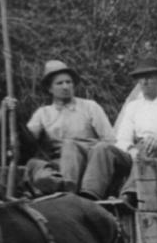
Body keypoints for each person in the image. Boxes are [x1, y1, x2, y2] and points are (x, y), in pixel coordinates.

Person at [79, 56, 157, 204]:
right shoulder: (134, 106)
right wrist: (130, 149)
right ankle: (90, 195)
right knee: (102, 148)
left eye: (149, 77)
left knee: (148, 146)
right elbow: (123, 138)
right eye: (141, 78)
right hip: (139, 153)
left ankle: (129, 195)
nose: (144, 82)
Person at [23, 60, 117, 195]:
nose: (66, 86)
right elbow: (28, 139)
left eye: (69, 82)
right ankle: (53, 183)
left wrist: (86, 148)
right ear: (50, 89)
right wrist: (12, 114)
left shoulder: (90, 107)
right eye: (59, 83)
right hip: (59, 163)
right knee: (35, 165)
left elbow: (109, 140)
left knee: (70, 145)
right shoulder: (43, 113)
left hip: (89, 161)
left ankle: (68, 191)